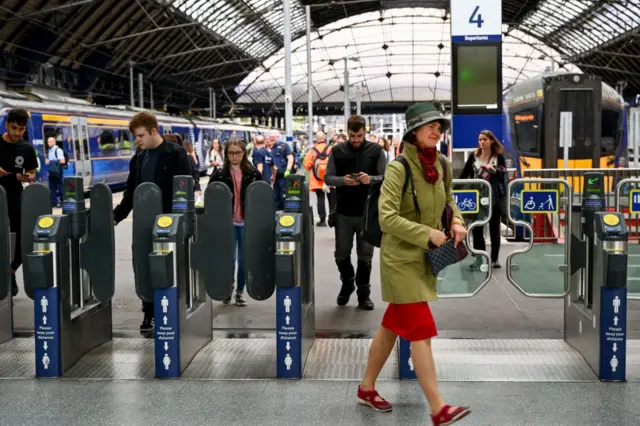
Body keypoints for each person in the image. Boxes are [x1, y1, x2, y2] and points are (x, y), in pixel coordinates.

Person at [357, 102, 471, 425]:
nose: (437, 130)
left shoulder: (444, 165)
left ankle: (366, 388)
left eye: (440, 126)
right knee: (420, 328)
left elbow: (449, 201)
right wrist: (428, 234)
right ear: (413, 130)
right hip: (400, 260)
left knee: (392, 326)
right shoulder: (398, 168)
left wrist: (457, 222)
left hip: (422, 259)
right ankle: (438, 408)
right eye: (430, 125)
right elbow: (386, 218)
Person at [113, 112, 192, 331]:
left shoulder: (176, 154)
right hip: (144, 222)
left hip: (169, 223)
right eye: (135, 137)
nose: (137, 140)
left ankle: (172, 309)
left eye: (140, 136)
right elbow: (130, 193)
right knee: (144, 266)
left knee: (167, 268)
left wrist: (182, 221)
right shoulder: (138, 158)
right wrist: (115, 217)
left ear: (153, 131)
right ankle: (149, 313)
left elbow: (184, 189)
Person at [324, 115, 387, 310]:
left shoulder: (377, 151)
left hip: (367, 213)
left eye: (359, 136)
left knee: (365, 257)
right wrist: (343, 180)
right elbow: (327, 178)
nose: (356, 140)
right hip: (343, 212)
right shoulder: (337, 151)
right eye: (352, 136)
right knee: (341, 254)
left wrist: (372, 179)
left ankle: (363, 294)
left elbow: (386, 177)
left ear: (365, 132)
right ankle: (348, 282)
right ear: (347, 132)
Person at [207, 138, 262, 307]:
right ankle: (227, 289)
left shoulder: (253, 173)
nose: (234, 156)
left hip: (247, 221)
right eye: (231, 153)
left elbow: (262, 195)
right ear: (226, 154)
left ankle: (240, 291)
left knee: (244, 260)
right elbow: (210, 195)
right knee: (229, 259)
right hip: (228, 222)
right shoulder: (220, 173)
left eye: (238, 152)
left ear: (244, 153)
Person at [0, 108, 38, 296]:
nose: (16, 133)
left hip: (15, 198)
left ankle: (12, 271)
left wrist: (28, 177)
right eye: (13, 128)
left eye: (20, 129)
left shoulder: (27, 149)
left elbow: (32, 173)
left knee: (23, 237)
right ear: (6, 125)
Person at [459, 130, 507, 269]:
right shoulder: (473, 156)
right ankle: (479, 258)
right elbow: (464, 174)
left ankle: (494, 259)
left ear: (492, 141)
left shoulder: (498, 157)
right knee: (477, 228)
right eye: (480, 139)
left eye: (485, 139)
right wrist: (455, 189)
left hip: (494, 196)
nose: (482, 142)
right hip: (477, 197)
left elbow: (503, 174)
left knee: (494, 228)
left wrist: (493, 170)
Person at [303, 131, 331, 226]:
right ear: (324, 139)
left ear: (316, 139)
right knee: (332, 200)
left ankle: (322, 220)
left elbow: (306, 165)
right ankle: (333, 219)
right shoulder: (331, 149)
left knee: (320, 200)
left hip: (317, 180)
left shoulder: (312, 151)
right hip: (330, 179)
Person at [269, 130, 294, 210]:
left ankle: (286, 213)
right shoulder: (272, 147)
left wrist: (288, 170)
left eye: (272, 137)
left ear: (278, 137)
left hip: (284, 176)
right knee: (276, 197)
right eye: (270, 137)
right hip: (276, 176)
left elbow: (290, 158)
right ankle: (278, 214)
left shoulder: (284, 146)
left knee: (284, 195)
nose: (271, 138)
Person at [44, 136, 66, 207]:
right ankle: (54, 202)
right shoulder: (50, 150)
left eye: (50, 142)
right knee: (52, 187)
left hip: (58, 172)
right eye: (47, 142)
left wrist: (50, 162)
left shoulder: (58, 150)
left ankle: (63, 202)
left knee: (60, 187)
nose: (48, 143)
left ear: (54, 142)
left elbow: (63, 161)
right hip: (51, 172)